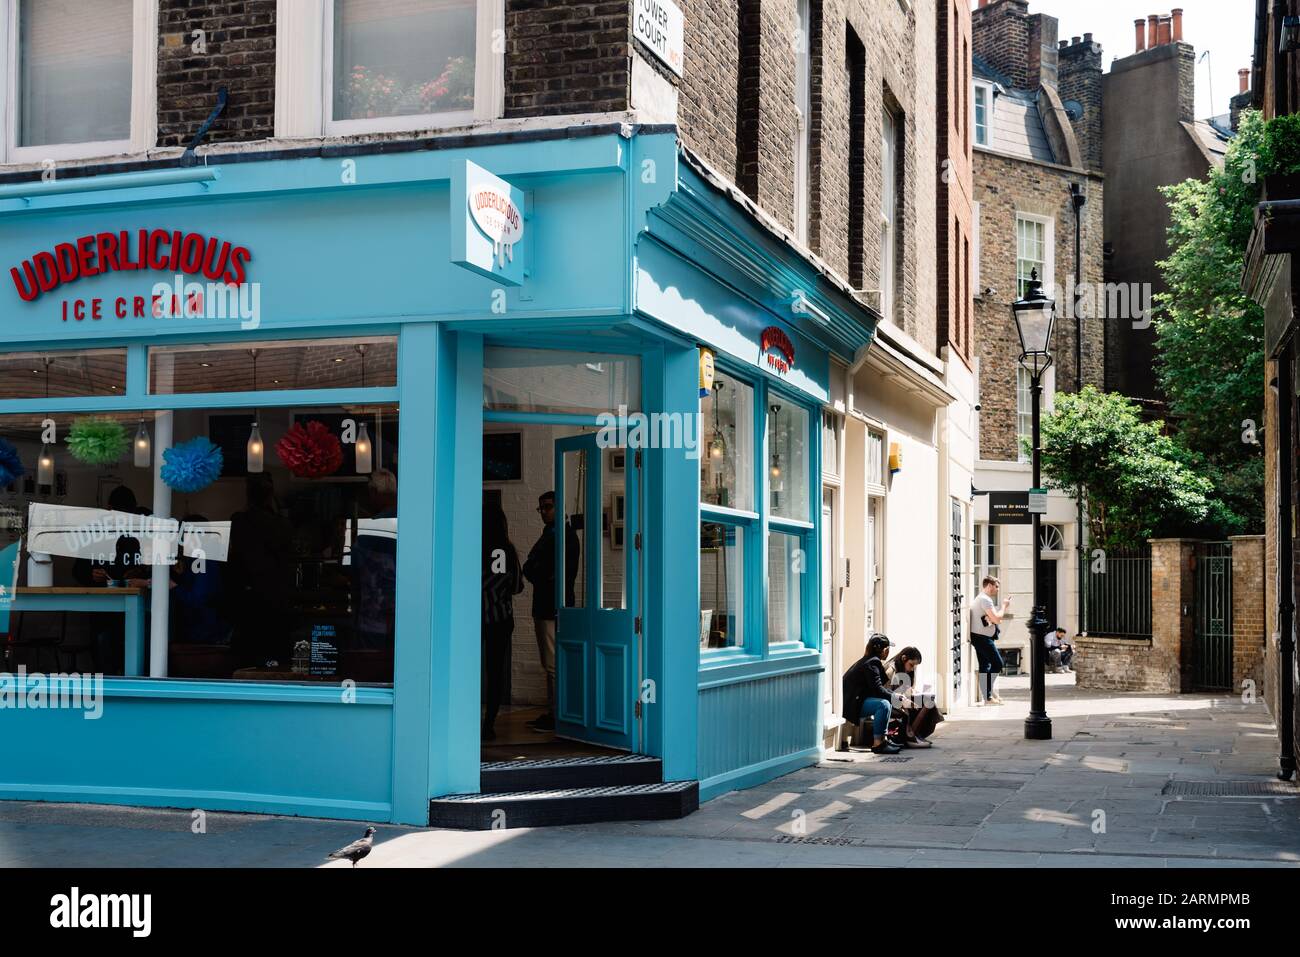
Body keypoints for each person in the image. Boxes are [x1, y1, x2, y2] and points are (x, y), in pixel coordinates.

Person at [521, 490, 580, 732]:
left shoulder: (562, 536)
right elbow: (530, 566)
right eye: (541, 508)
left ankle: (558, 715)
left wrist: (535, 571)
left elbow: (542, 570)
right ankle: (554, 711)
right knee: (551, 663)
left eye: (547, 507)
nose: (543, 512)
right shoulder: (554, 534)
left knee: (553, 663)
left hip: (551, 605)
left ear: (559, 507)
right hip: (549, 603)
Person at [226, 474, 295, 670]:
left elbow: (236, 557)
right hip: (277, 596)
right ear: (270, 494)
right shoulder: (282, 524)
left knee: (250, 659)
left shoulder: (240, 521)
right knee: (276, 657)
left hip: (249, 596)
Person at [481, 494, 523, 741]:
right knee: (495, 672)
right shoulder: (507, 550)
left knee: (469, 670)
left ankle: (464, 717)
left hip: (474, 619)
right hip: (501, 619)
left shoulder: (474, 546)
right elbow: (517, 586)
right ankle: (489, 724)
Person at [352, 469, 398, 651]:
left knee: (373, 668)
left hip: (375, 617)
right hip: (406, 616)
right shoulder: (415, 522)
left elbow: (355, 569)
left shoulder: (371, 529)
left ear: (374, 492)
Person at [841, 634, 905, 754]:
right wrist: (894, 697)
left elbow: (877, 688)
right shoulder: (872, 663)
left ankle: (883, 739)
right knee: (883, 704)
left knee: (886, 701)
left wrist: (895, 696)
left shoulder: (870, 661)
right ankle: (878, 744)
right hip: (852, 705)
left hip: (856, 701)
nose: (888, 652)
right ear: (884, 650)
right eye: (888, 649)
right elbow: (878, 690)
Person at [887, 646, 943, 746]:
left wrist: (917, 694)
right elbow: (886, 691)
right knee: (911, 705)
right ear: (904, 658)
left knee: (929, 701)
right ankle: (910, 736)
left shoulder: (908, 671)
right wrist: (904, 699)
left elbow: (908, 690)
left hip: (902, 698)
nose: (912, 668)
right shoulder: (891, 669)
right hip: (891, 701)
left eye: (914, 666)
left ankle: (915, 734)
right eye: (911, 665)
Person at [969, 575, 1010, 704]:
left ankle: (987, 696)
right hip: (983, 638)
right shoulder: (985, 599)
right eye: (996, 586)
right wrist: (1004, 606)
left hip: (979, 637)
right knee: (998, 664)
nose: (998, 589)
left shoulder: (981, 598)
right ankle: (988, 693)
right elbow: (997, 619)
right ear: (989, 585)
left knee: (984, 666)